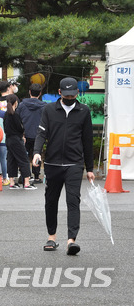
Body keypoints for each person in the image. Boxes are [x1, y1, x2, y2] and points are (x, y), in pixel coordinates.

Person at [33, 77, 94, 255]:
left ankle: (71, 241)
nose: (69, 98)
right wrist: (37, 152)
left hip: (74, 164)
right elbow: (41, 133)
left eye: (72, 95)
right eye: (66, 95)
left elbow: (87, 141)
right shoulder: (49, 110)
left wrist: (89, 168)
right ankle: (51, 237)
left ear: (77, 93)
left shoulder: (84, 111)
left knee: (73, 200)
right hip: (52, 164)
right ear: (59, 93)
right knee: (51, 201)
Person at [3, 94, 36, 190]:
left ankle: (12, 182)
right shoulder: (15, 114)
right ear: (16, 102)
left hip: (8, 139)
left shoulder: (6, 114)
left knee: (11, 159)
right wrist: (22, 135)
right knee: (23, 160)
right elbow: (20, 128)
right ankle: (26, 182)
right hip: (16, 139)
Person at [17, 83, 46, 183]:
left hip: (25, 134)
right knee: (37, 154)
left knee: (23, 155)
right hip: (39, 134)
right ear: (40, 93)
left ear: (29, 92)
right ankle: (37, 176)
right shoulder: (44, 106)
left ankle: (24, 175)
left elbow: (17, 119)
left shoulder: (22, 105)